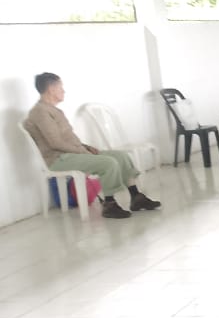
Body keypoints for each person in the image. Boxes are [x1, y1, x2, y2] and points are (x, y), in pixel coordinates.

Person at [24, 73, 161, 219]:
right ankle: (109, 205)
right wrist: (81, 150)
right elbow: (55, 143)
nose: (64, 91)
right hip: (58, 159)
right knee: (108, 163)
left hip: (72, 153)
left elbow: (65, 139)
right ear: (51, 89)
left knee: (121, 156)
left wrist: (85, 147)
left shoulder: (54, 110)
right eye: (60, 87)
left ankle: (136, 197)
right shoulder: (40, 112)